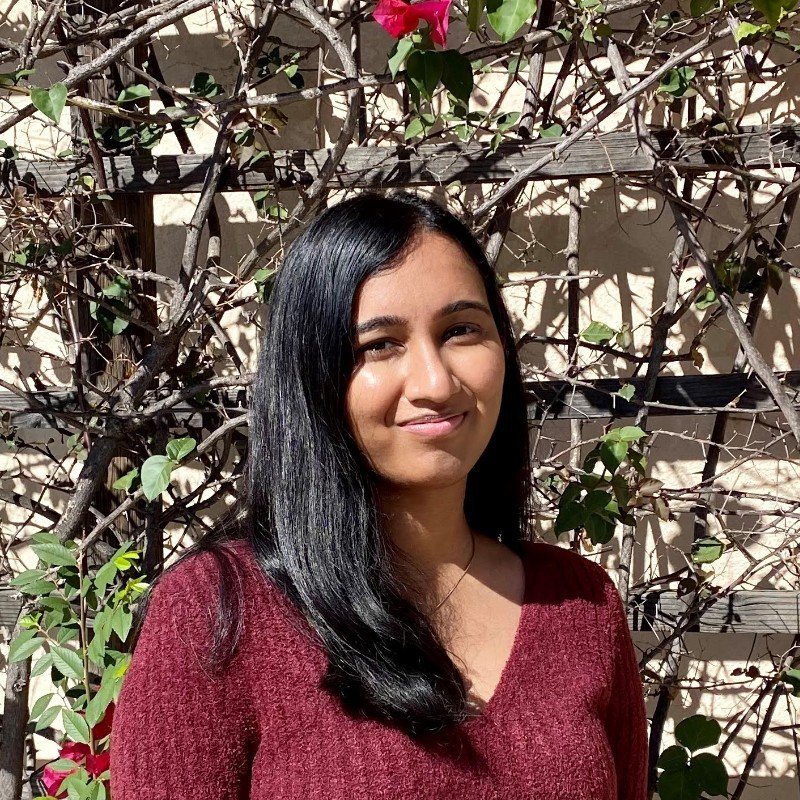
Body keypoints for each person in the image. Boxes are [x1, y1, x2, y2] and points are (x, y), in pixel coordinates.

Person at [109, 190, 648, 799]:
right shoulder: (218, 613)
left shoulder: (581, 605)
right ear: (313, 375)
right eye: (379, 345)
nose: (436, 382)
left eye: (462, 330)